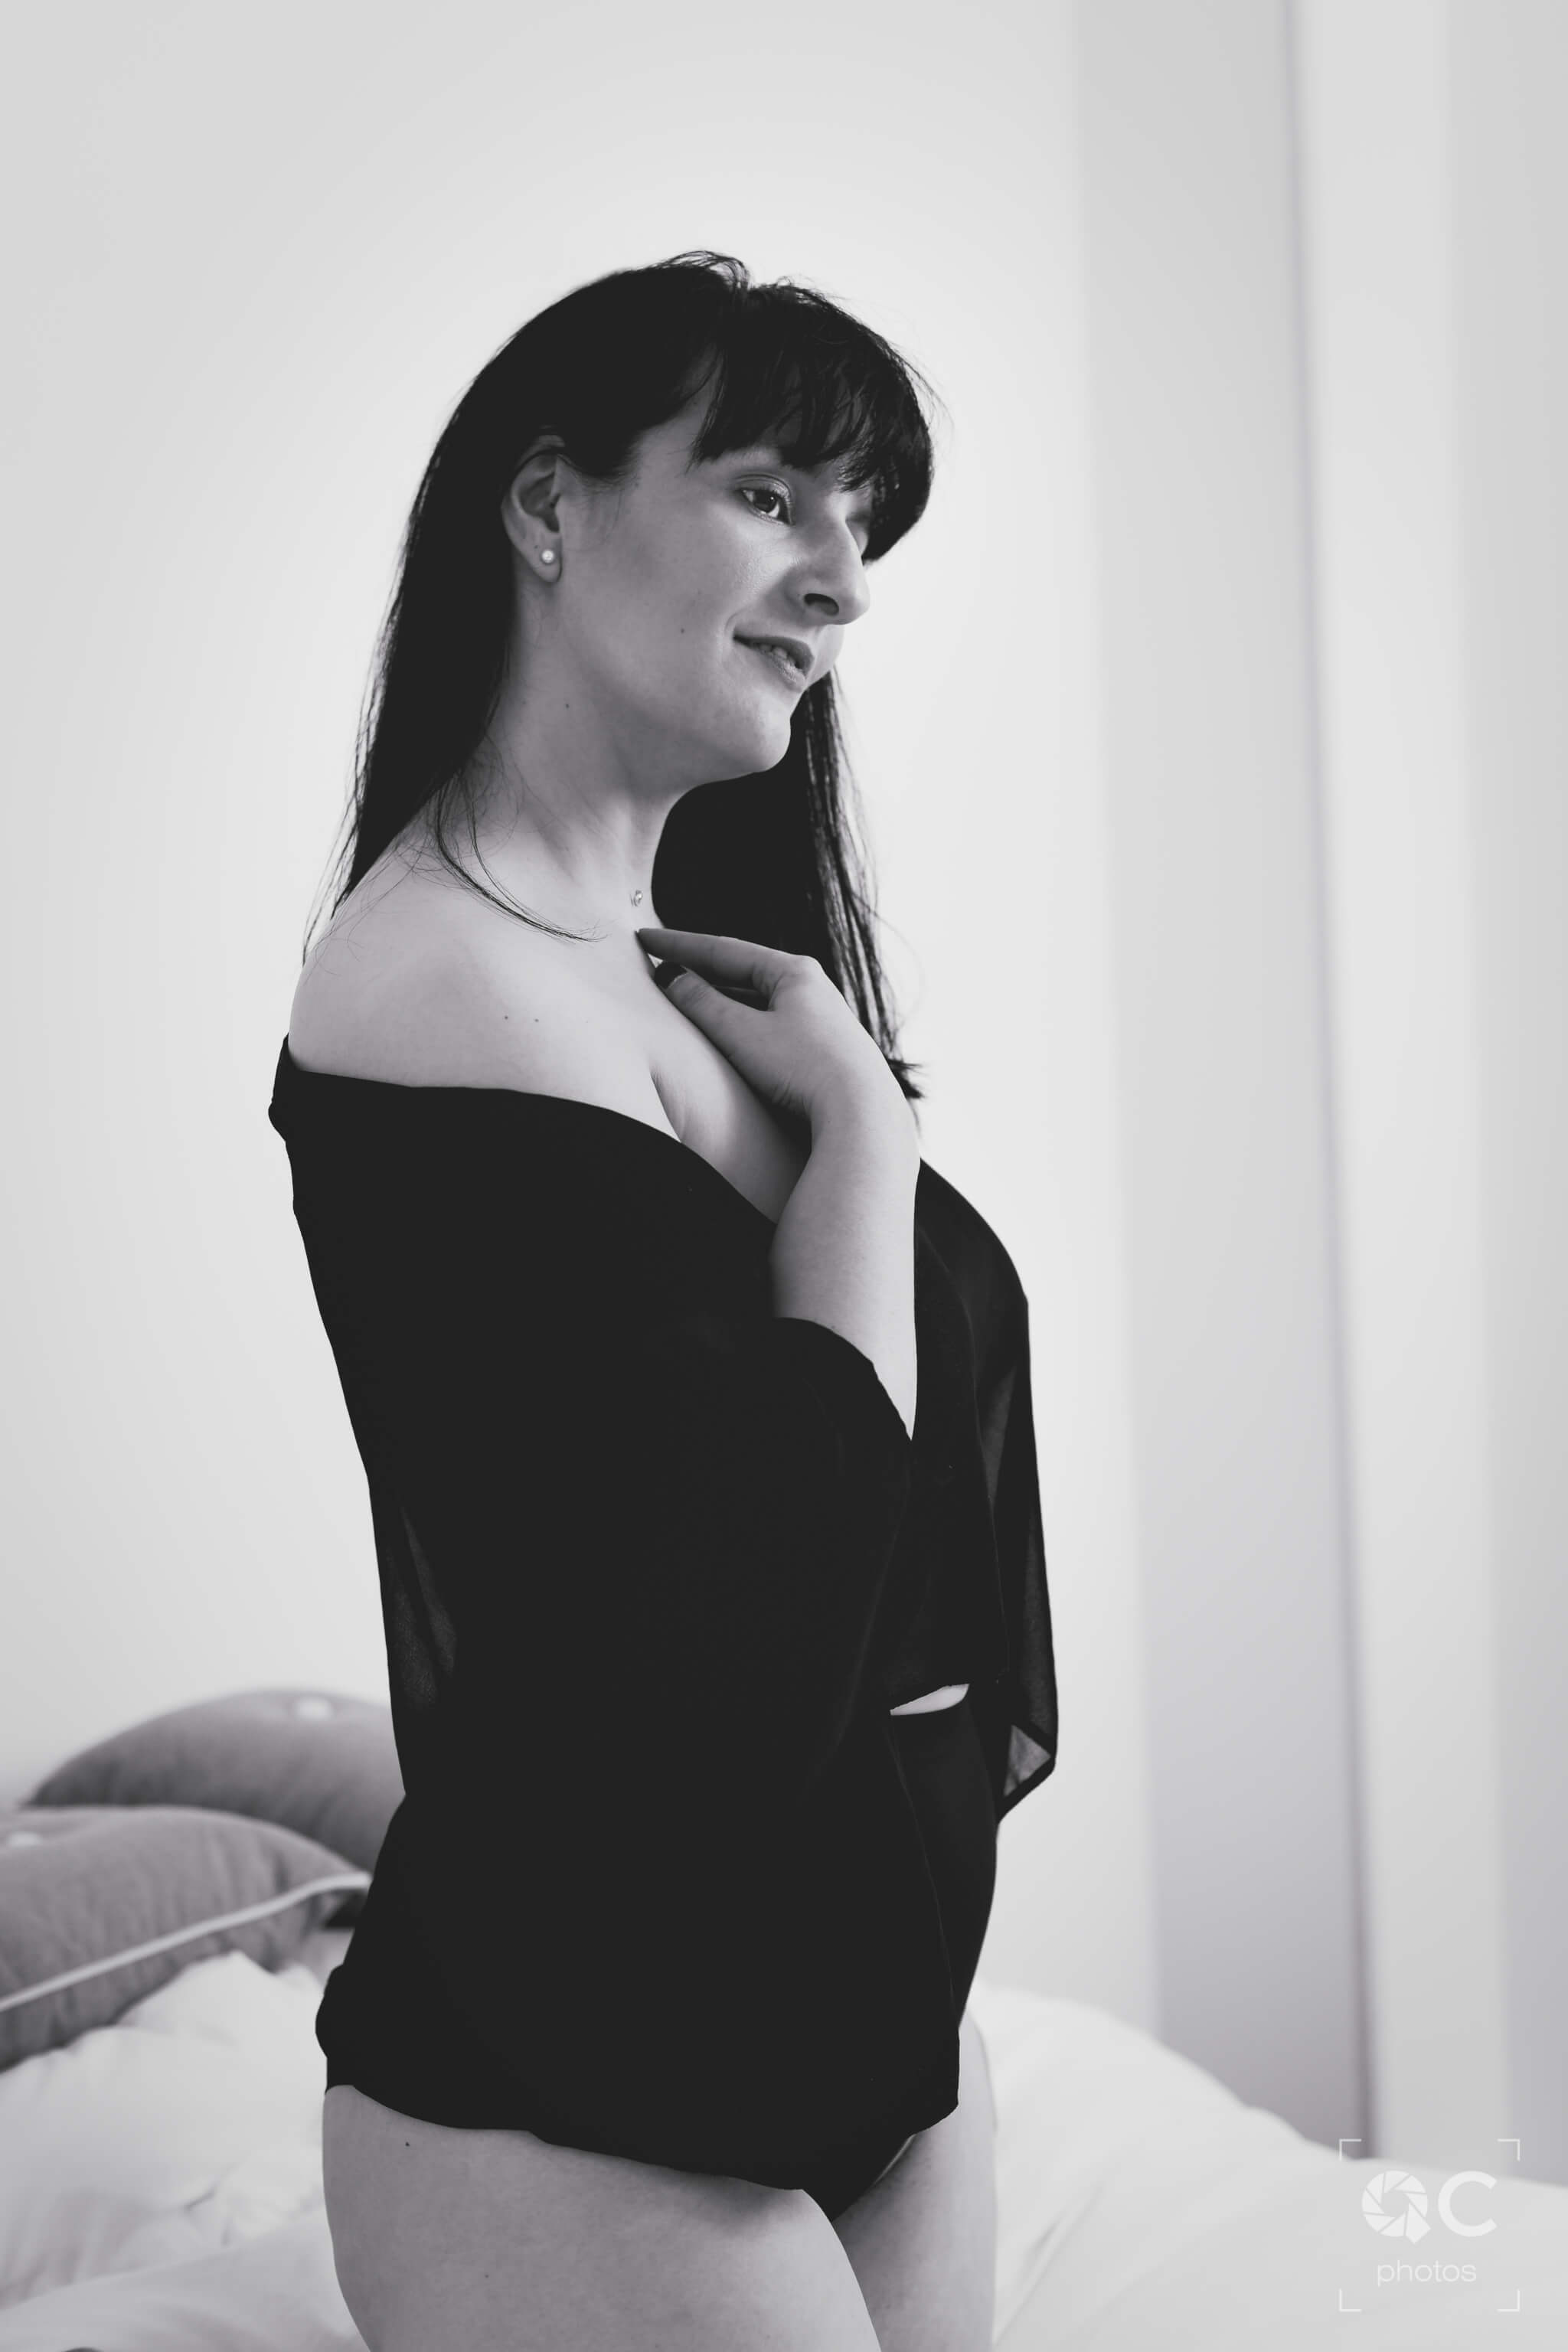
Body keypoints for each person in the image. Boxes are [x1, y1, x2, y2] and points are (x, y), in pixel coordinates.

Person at [268, 250, 1058, 2351]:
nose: (843, 582)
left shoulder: (696, 973)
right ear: (548, 507)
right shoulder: (438, 981)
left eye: (860, 524)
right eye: (772, 496)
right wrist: (863, 1149)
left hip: (879, 2030)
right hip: (570, 2083)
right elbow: (774, 1568)